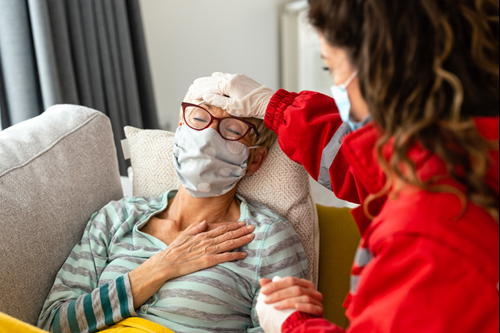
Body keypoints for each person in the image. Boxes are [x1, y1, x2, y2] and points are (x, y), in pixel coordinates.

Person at [188, 0, 500, 332]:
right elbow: (368, 165)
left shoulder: (426, 233)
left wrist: (292, 325)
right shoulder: (465, 158)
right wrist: (276, 107)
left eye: (331, 68)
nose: (205, 138)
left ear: (381, 73)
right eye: (194, 119)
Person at [37, 95, 308, 333]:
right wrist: (159, 267)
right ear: (180, 132)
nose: (207, 137)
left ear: (255, 159)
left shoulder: (268, 238)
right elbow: (51, 324)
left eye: (232, 129)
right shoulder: (116, 217)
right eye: (199, 118)